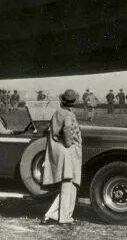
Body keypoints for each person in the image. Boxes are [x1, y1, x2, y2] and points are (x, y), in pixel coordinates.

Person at [42, 89, 82, 226]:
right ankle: (64, 217)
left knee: (69, 185)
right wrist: (69, 143)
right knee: (69, 185)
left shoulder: (58, 112)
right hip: (68, 151)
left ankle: (52, 215)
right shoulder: (68, 115)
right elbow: (66, 129)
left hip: (59, 150)